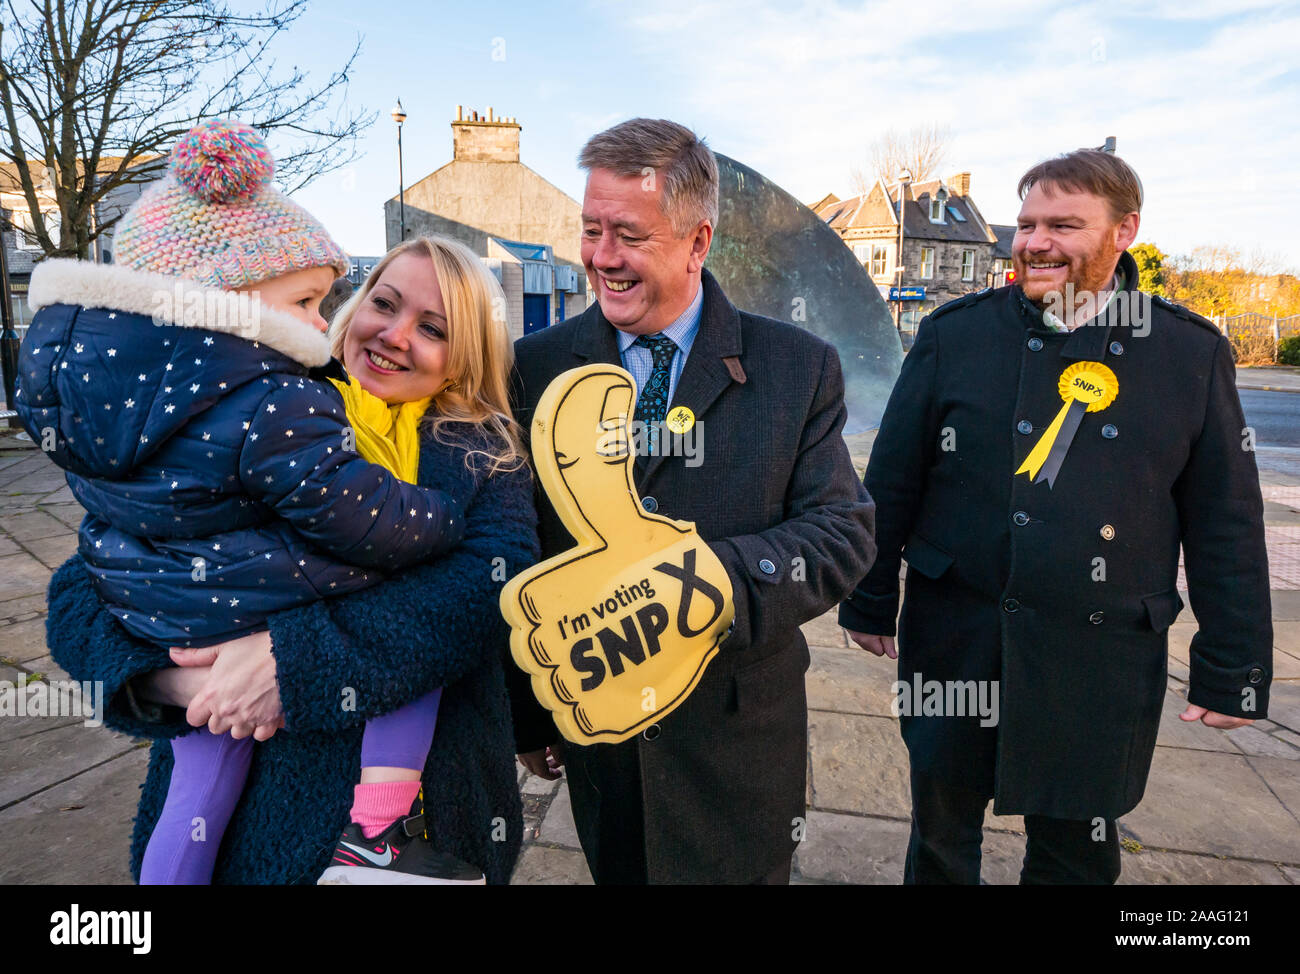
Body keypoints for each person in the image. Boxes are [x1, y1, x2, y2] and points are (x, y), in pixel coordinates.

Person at [38, 226, 537, 885]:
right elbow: (91, 583)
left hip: (425, 830)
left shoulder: (484, 454)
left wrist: (291, 662)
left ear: (463, 357)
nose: (394, 334)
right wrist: (177, 684)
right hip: (242, 834)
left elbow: (486, 592)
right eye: (384, 304)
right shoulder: (249, 402)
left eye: (433, 328)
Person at [839, 149, 1273, 885]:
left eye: (1063, 225)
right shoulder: (956, 334)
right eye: (1029, 223)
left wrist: (1233, 668)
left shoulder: (1187, 353)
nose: (1035, 242)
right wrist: (870, 595)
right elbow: (894, 478)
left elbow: (1226, 522)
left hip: (1099, 658)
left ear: (1124, 231)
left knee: (1076, 851)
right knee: (940, 840)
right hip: (958, 643)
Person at [508, 118, 877, 884]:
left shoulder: (797, 366)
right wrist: (531, 710)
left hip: (737, 746)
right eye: (591, 229)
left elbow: (842, 531)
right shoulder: (532, 367)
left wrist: (695, 584)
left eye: (629, 235)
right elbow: (517, 549)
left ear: (697, 241)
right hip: (604, 753)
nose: (601, 257)